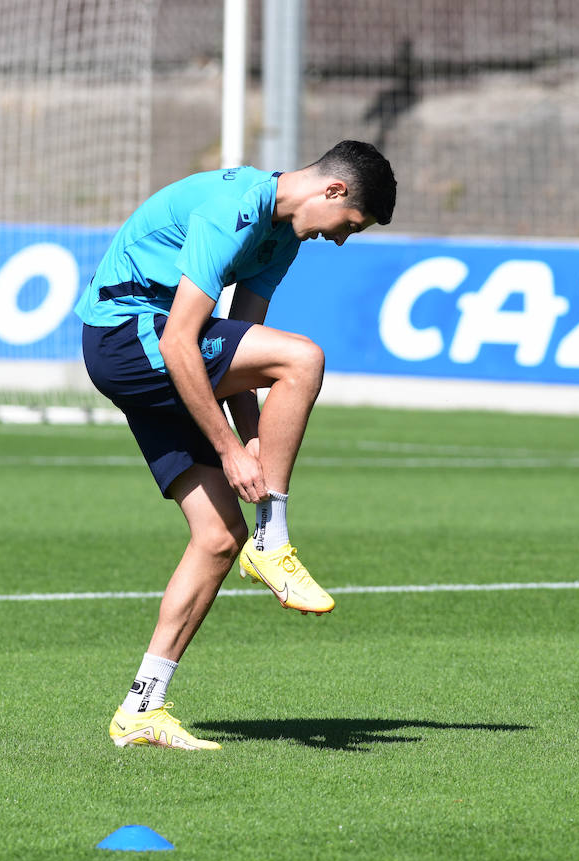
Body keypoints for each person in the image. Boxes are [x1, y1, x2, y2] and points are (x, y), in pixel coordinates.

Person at [75, 141, 396, 751]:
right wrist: (229, 447)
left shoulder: (284, 239)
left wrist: (251, 437)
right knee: (303, 360)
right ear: (333, 192)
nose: (341, 240)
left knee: (218, 538)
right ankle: (272, 538)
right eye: (350, 225)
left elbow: (245, 344)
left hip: (157, 349)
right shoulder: (235, 209)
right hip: (128, 336)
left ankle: (142, 707)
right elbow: (179, 343)